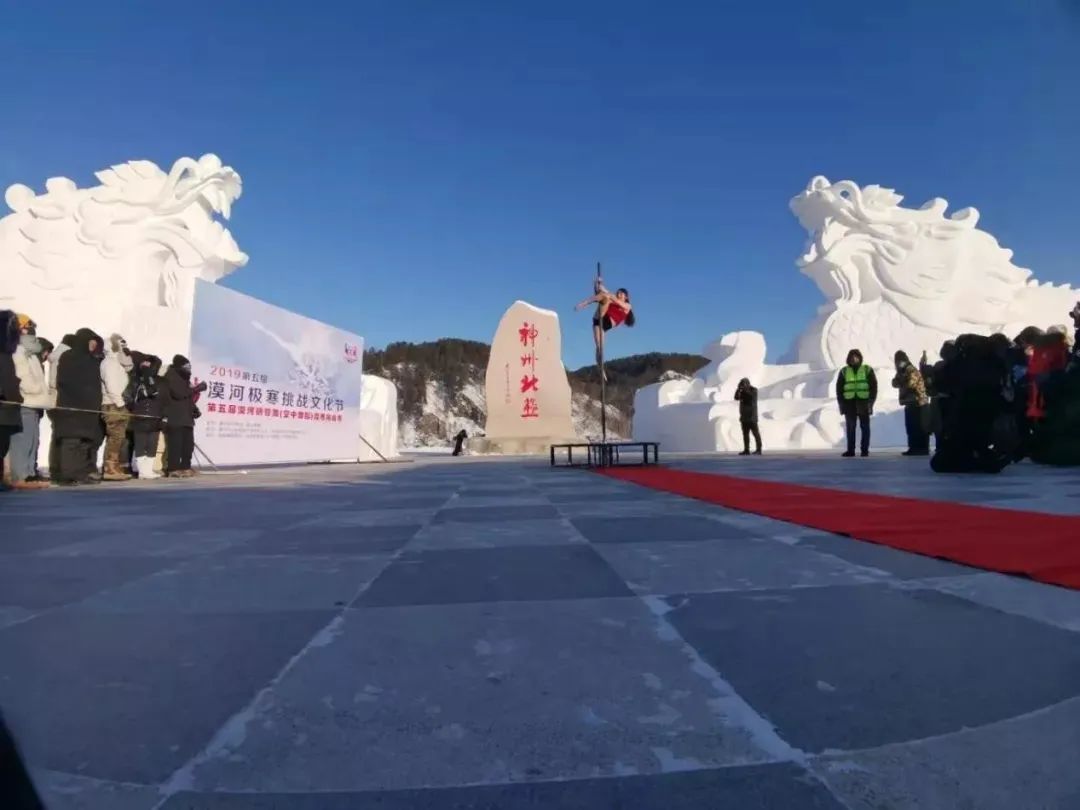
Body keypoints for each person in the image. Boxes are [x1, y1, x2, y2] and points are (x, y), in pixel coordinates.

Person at [52, 328, 105, 486]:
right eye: (91, 342)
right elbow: (66, 381)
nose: (93, 346)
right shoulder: (69, 357)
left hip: (89, 409)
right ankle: (67, 475)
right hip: (73, 407)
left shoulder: (91, 360)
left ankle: (81, 473)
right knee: (71, 441)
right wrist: (84, 393)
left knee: (85, 443)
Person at [8, 319, 51, 490]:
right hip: (26, 400)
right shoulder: (18, 350)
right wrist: (34, 389)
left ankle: (28, 473)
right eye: (27, 328)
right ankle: (20, 476)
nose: (30, 331)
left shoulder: (30, 351)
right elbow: (22, 374)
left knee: (32, 440)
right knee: (22, 440)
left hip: (35, 401)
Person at [575, 278, 635, 378]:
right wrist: (597, 284)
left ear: (626, 297)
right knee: (604, 298)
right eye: (618, 293)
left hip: (605, 324)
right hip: (599, 318)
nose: (618, 294)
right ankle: (584, 303)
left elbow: (615, 300)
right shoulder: (611, 300)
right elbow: (598, 295)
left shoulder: (628, 306)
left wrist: (605, 290)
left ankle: (600, 368)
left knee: (600, 348)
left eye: (621, 294)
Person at [162, 355, 206, 477]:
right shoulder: (171, 376)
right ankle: (173, 468)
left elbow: (188, 398)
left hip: (186, 417)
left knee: (188, 445)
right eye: (186, 366)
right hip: (175, 417)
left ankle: (185, 467)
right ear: (179, 366)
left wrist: (194, 409)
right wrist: (197, 389)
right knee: (175, 445)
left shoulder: (185, 379)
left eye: (189, 366)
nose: (189, 369)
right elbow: (179, 394)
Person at [100, 334, 134, 481]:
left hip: (119, 403)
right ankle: (109, 467)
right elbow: (112, 386)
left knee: (119, 437)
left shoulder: (118, 363)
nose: (124, 348)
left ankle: (115, 464)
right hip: (113, 404)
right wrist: (120, 403)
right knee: (115, 436)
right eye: (122, 345)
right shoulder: (109, 363)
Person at [835, 348, 877, 457]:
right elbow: (839, 390)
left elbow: (873, 388)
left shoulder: (867, 370)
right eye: (851, 357)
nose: (854, 359)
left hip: (864, 403)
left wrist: (870, 403)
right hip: (849, 403)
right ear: (848, 359)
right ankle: (850, 450)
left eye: (856, 356)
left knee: (865, 428)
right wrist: (841, 405)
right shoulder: (844, 371)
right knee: (850, 428)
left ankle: (864, 450)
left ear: (860, 358)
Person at [129, 353, 163, 479]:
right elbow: (131, 396)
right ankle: (142, 471)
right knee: (140, 444)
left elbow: (155, 392)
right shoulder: (135, 379)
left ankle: (148, 470)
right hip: (140, 416)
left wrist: (164, 417)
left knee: (152, 444)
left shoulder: (159, 381)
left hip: (155, 416)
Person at [0, 311, 23, 491]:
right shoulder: (4, 356)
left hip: (6, 407)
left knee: (3, 445)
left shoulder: (6, 356)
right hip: (4, 407)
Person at [892, 350, 931, 456]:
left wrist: (901, 381)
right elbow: (894, 383)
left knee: (920, 428)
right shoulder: (901, 372)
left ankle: (922, 448)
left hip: (919, 403)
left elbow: (911, 384)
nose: (899, 364)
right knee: (911, 427)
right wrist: (901, 380)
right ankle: (913, 447)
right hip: (909, 402)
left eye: (901, 361)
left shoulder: (911, 370)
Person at [734, 377, 762, 455]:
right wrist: (738, 389)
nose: (742, 385)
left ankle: (759, 449)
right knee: (745, 435)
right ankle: (746, 450)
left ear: (747, 384)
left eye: (743, 384)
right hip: (744, 417)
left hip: (752, 417)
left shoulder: (754, 390)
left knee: (755, 434)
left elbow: (750, 397)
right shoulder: (742, 391)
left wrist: (744, 389)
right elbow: (736, 397)